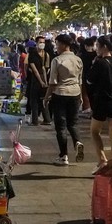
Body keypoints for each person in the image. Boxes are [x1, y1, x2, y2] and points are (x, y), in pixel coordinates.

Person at [44, 34, 84, 166]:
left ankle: (63, 156)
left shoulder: (57, 60)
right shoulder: (78, 60)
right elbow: (80, 80)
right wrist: (81, 97)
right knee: (73, 124)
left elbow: (53, 82)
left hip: (60, 94)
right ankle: (77, 142)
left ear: (63, 44)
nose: (56, 47)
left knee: (61, 127)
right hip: (75, 93)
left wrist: (46, 97)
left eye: (57, 44)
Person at [87, 35, 112, 168]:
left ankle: (102, 160)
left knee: (95, 131)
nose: (96, 48)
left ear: (104, 47)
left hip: (102, 100)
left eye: (98, 46)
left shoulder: (99, 62)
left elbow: (90, 80)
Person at [27, 36, 51, 126]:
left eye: (43, 42)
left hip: (40, 79)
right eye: (40, 42)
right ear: (36, 43)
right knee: (38, 100)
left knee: (39, 100)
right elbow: (35, 70)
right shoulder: (32, 54)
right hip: (36, 78)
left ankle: (36, 121)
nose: (42, 44)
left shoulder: (46, 54)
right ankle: (44, 119)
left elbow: (44, 69)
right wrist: (42, 81)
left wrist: (44, 81)